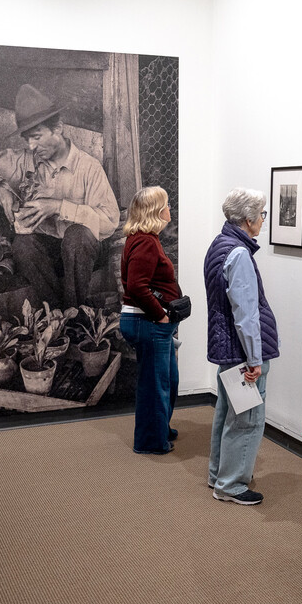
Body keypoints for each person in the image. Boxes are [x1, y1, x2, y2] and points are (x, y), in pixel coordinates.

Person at [0, 83, 120, 309]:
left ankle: (75, 310)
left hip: (83, 254)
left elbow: (109, 222)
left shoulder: (89, 167)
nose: (31, 146)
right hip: (48, 254)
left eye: (36, 137)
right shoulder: (24, 160)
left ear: (58, 129)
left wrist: (58, 207)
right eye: (27, 139)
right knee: (22, 245)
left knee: (77, 236)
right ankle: (56, 312)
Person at [203, 187, 279, 505]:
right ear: (248, 219)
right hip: (240, 353)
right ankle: (231, 485)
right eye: (262, 214)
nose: (263, 219)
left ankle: (218, 474)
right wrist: (254, 359)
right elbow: (246, 315)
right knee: (246, 418)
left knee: (226, 412)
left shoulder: (219, 244)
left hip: (227, 350)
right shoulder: (239, 254)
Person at [119, 185, 182, 454]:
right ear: (156, 211)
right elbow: (136, 286)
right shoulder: (145, 241)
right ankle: (150, 442)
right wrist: (161, 316)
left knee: (167, 380)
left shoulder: (146, 238)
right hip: (149, 323)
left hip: (151, 323)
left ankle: (160, 428)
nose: (170, 209)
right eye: (166, 205)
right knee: (154, 385)